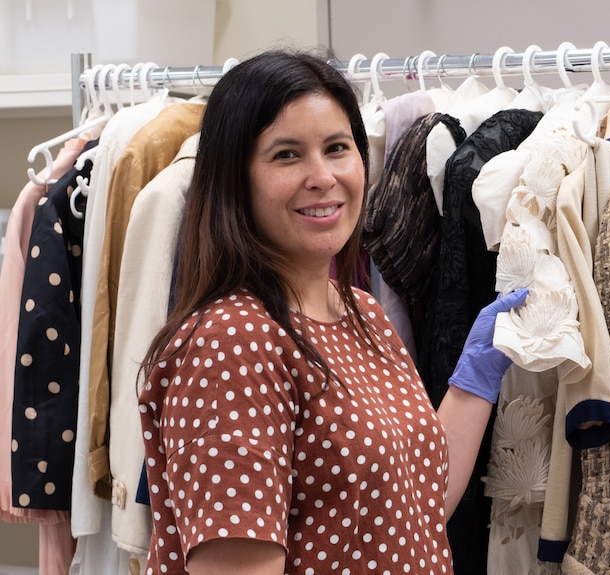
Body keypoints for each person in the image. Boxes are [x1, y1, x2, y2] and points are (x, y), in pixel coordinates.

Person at [138, 49, 528, 575]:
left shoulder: (359, 311)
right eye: (286, 155)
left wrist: (473, 380)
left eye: (337, 148)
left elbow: (416, 506)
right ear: (235, 179)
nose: (322, 176)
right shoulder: (232, 342)